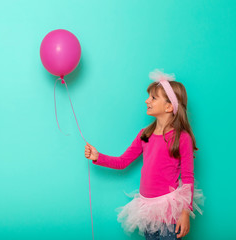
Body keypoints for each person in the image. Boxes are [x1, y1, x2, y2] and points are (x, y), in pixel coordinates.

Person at [85, 69, 203, 240]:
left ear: (169, 106)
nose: (147, 100)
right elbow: (122, 161)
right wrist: (98, 157)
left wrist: (185, 212)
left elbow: (187, 177)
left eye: (153, 98)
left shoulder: (181, 138)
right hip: (147, 208)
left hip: (167, 210)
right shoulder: (145, 134)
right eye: (149, 96)